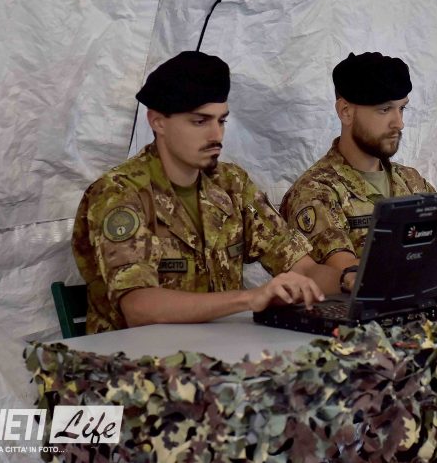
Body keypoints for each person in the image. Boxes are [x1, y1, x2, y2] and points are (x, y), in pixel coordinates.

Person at [72, 51, 340, 333]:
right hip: (135, 356)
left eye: (221, 121)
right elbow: (139, 307)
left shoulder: (231, 185)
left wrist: (350, 280)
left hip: (220, 348)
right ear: (157, 121)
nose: (216, 135)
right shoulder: (120, 193)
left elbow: (303, 267)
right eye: (200, 122)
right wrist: (249, 298)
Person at [280, 52, 437, 291]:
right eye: (384, 109)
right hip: (359, 319)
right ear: (346, 111)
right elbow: (347, 272)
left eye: (402, 108)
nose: (399, 123)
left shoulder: (410, 181)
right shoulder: (316, 192)